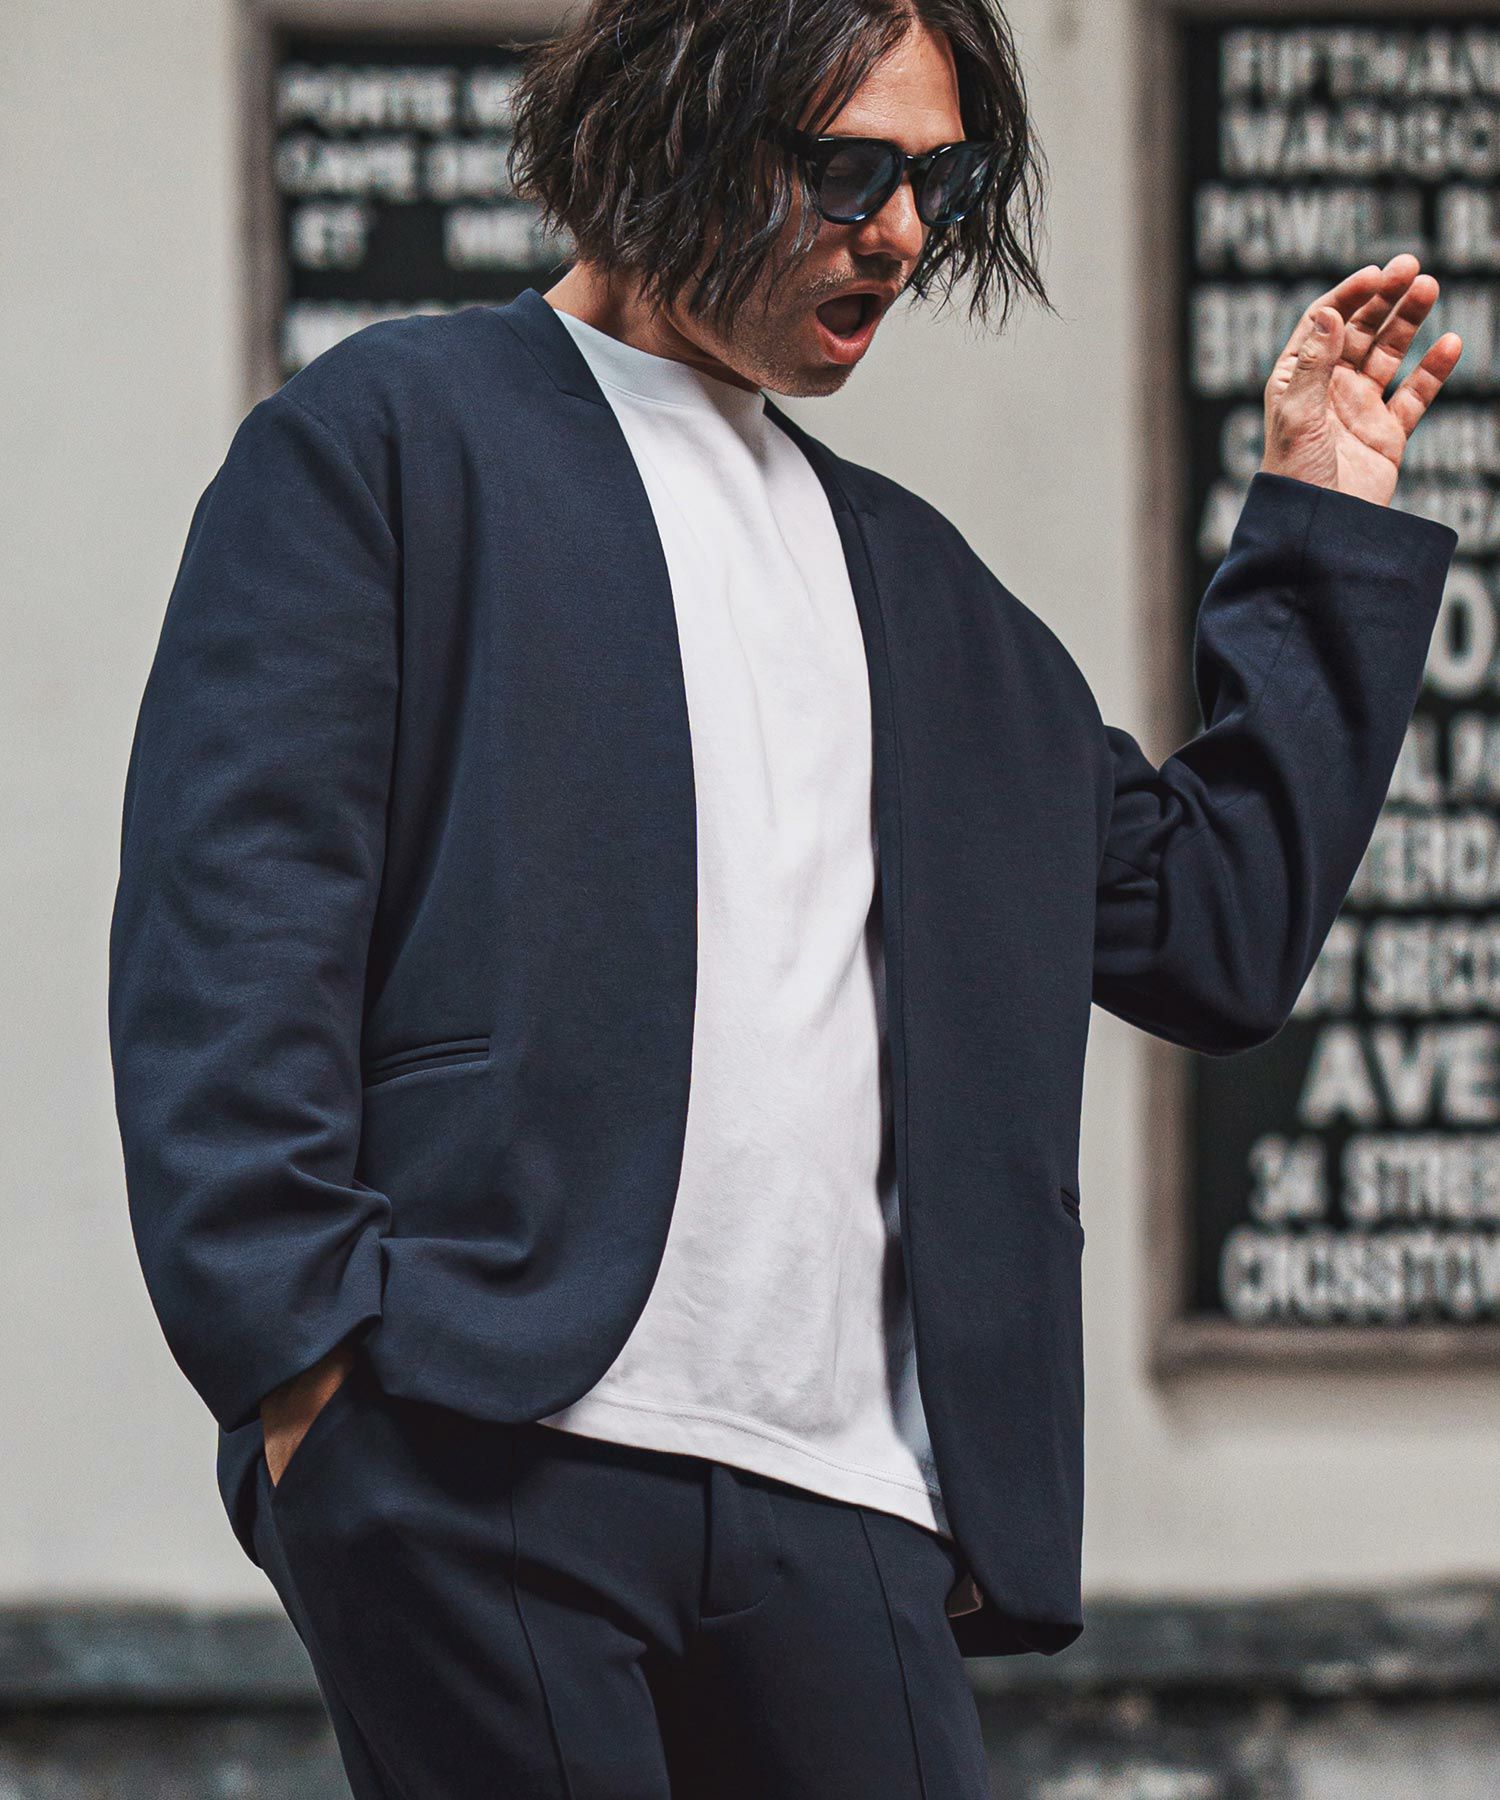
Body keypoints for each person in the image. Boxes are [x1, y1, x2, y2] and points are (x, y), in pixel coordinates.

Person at [107, 0, 1462, 1793]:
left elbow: (1220, 928)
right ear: (675, 123)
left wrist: (1324, 518)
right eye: (848, 172)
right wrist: (311, 1378)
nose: (900, 233)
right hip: (474, 1438)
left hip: (852, 1509)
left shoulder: (923, 595)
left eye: (939, 184)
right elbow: (235, 923)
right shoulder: (392, 438)